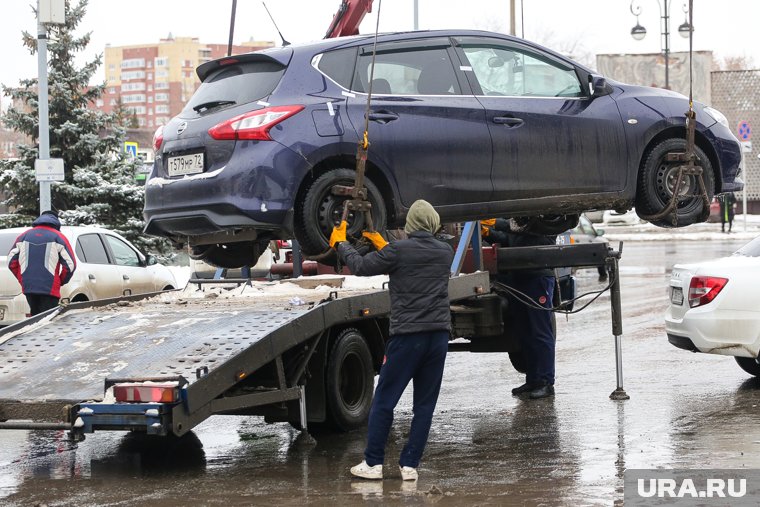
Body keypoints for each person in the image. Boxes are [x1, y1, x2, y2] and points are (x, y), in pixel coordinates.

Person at [329, 200, 454, 482]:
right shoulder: (445, 251)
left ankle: (373, 463)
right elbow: (409, 260)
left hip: (407, 338)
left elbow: (360, 266)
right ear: (433, 223)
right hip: (437, 338)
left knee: (384, 400)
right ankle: (410, 466)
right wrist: (380, 243)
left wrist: (341, 244)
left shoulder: (398, 251)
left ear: (410, 225)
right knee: (424, 405)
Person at [481, 218, 557, 400]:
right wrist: (489, 234)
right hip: (519, 277)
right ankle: (533, 379)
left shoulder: (544, 219)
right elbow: (511, 240)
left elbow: (523, 228)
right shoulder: (518, 221)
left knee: (540, 332)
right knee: (525, 332)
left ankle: (546, 382)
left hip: (537, 277)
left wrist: (497, 223)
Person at [8, 210, 77, 316]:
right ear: (56, 221)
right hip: (50, 288)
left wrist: (22, 278)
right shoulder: (58, 237)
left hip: (29, 287)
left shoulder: (23, 236)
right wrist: (61, 281)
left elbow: (11, 262)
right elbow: (70, 265)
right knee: (48, 322)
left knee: (35, 320)